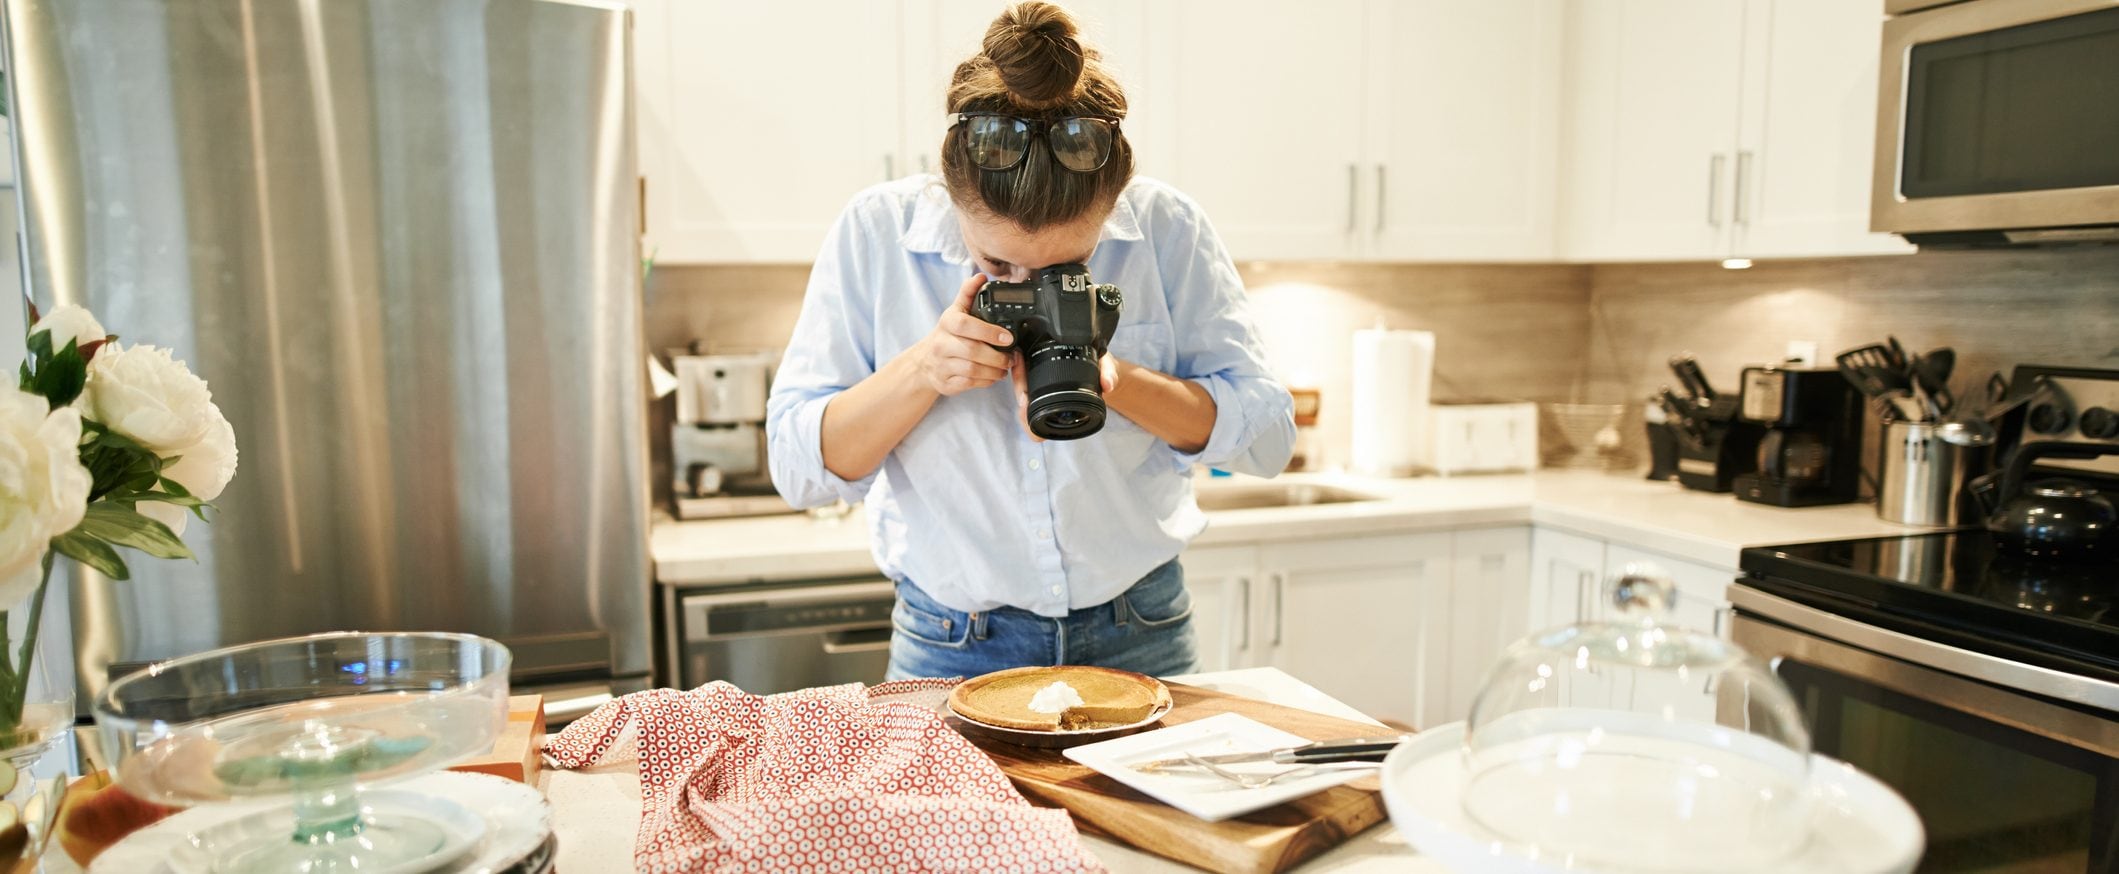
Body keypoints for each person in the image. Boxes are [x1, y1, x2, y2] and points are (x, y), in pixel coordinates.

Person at [768, 1, 1293, 681]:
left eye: (1068, 268)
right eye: (997, 265)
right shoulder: (876, 234)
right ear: (951, 196)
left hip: (1140, 627)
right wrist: (924, 369)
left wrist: (1112, 377)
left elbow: (1269, 439)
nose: (1031, 285)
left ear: (1112, 205)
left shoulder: (1167, 230)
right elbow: (796, 469)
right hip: (949, 640)